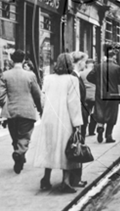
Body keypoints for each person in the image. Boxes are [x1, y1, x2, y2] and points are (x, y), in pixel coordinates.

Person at [30, 53, 83, 193]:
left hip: (49, 118)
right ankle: (65, 182)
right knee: (66, 149)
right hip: (65, 119)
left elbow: (43, 99)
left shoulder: (48, 79)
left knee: (49, 147)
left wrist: (44, 113)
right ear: (70, 64)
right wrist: (77, 123)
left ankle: (45, 179)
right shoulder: (72, 80)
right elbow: (74, 103)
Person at [0, 50, 43, 174]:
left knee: (15, 136)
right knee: (24, 136)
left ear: (12, 60)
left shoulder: (5, 75)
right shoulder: (30, 75)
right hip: (27, 111)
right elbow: (37, 94)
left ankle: (19, 158)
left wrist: (7, 105)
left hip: (11, 111)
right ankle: (19, 154)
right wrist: (40, 109)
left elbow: (0, 95)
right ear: (23, 59)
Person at [87, 47, 120, 143]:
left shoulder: (98, 66)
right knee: (112, 114)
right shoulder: (117, 68)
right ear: (113, 57)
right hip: (112, 94)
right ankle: (109, 136)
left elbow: (89, 77)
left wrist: (98, 83)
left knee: (100, 111)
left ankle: (100, 127)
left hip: (100, 93)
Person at [69, 51, 89, 189]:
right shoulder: (73, 77)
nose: (86, 64)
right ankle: (75, 179)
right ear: (80, 62)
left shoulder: (76, 76)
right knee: (78, 146)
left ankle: (74, 178)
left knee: (77, 145)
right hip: (78, 116)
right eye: (85, 61)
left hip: (80, 115)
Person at [80, 59, 97, 136]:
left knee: (85, 113)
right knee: (94, 113)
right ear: (93, 64)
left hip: (85, 96)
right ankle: (91, 131)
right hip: (95, 96)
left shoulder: (81, 73)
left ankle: (84, 129)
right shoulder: (95, 73)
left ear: (86, 64)